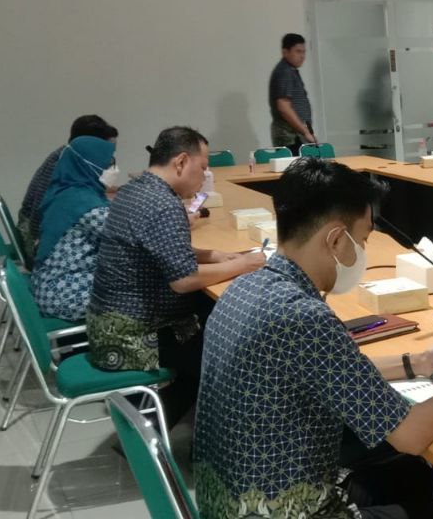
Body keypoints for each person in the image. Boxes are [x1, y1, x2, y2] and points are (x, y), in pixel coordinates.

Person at [195, 158, 433, 518]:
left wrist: (416, 362)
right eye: (363, 239)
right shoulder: (303, 316)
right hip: (285, 509)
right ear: (336, 239)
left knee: (410, 475)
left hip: (229, 502)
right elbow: (412, 435)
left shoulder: (247, 286)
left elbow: (332, 369)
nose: (363, 252)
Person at [86, 126, 265, 426]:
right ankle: (156, 428)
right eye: (203, 168)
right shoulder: (163, 205)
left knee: (213, 316)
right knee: (232, 356)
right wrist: (244, 264)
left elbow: (157, 248)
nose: (205, 177)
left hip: (106, 323)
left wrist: (213, 255)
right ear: (181, 162)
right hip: (134, 335)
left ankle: (148, 427)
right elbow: (184, 280)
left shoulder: (135, 190)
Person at [31, 136, 116, 323]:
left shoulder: (67, 191)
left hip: (48, 283)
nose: (113, 169)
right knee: (138, 291)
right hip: (64, 291)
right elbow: (126, 234)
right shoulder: (85, 204)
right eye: (108, 164)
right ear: (90, 165)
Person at [19, 115, 118, 251]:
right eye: (106, 154)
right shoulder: (62, 166)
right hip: (37, 240)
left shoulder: (69, 160)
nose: (109, 161)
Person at [270, 33, 317, 151]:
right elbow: (284, 107)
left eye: (304, 52)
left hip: (297, 135)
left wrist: (308, 132)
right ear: (285, 52)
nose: (302, 56)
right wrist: (305, 132)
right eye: (298, 51)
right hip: (290, 137)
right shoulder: (284, 71)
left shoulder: (291, 70)